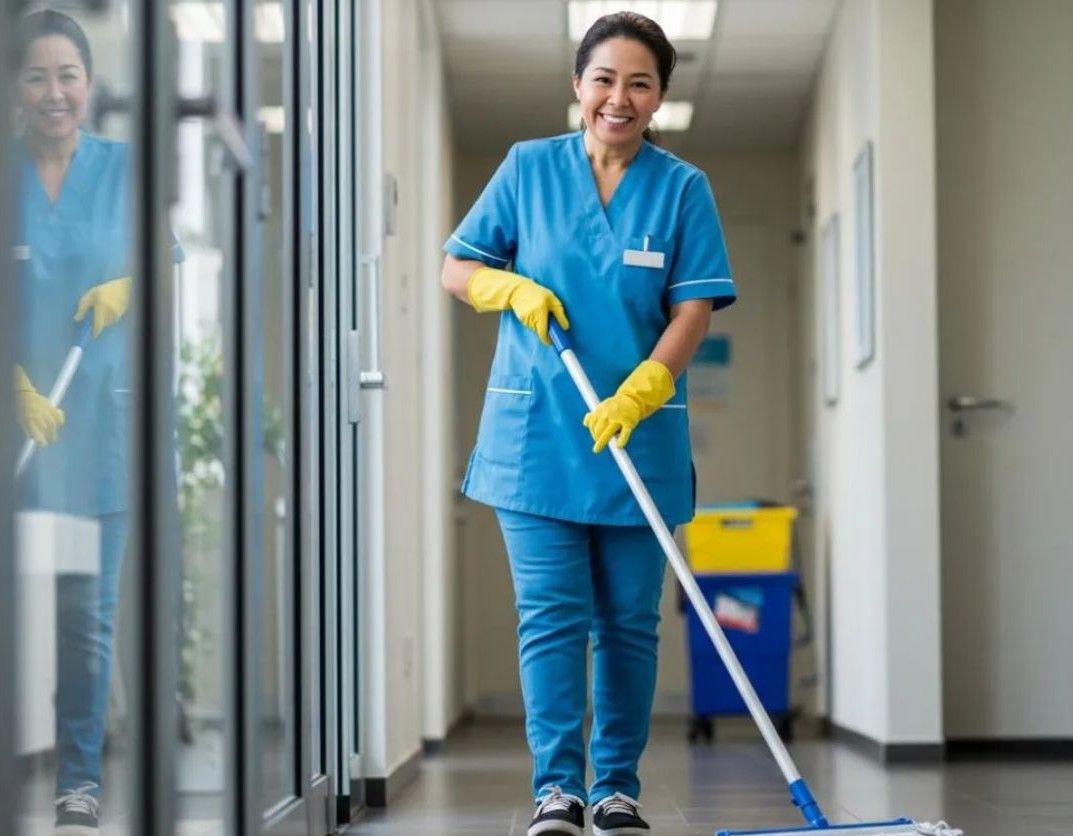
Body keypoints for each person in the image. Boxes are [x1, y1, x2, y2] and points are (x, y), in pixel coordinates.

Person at [441, 11, 735, 836]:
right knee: (551, 619)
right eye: (603, 78)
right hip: (534, 439)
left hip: (636, 434)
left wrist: (645, 385)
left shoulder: (682, 189)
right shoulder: (526, 170)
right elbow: (456, 268)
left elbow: (695, 306)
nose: (619, 97)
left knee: (629, 624)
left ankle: (615, 789)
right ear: (577, 85)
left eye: (639, 82)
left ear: (659, 97)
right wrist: (506, 289)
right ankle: (557, 793)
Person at [10, 10, 178, 834]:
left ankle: (78, 780)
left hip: (98, 431)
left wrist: (129, 286)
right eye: (37, 75)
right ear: (14, 89)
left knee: (85, 617)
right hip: (18, 422)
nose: (54, 91)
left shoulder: (124, 169)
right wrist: (14, 384)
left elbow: (162, 263)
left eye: (67, 75)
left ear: (90, 85)